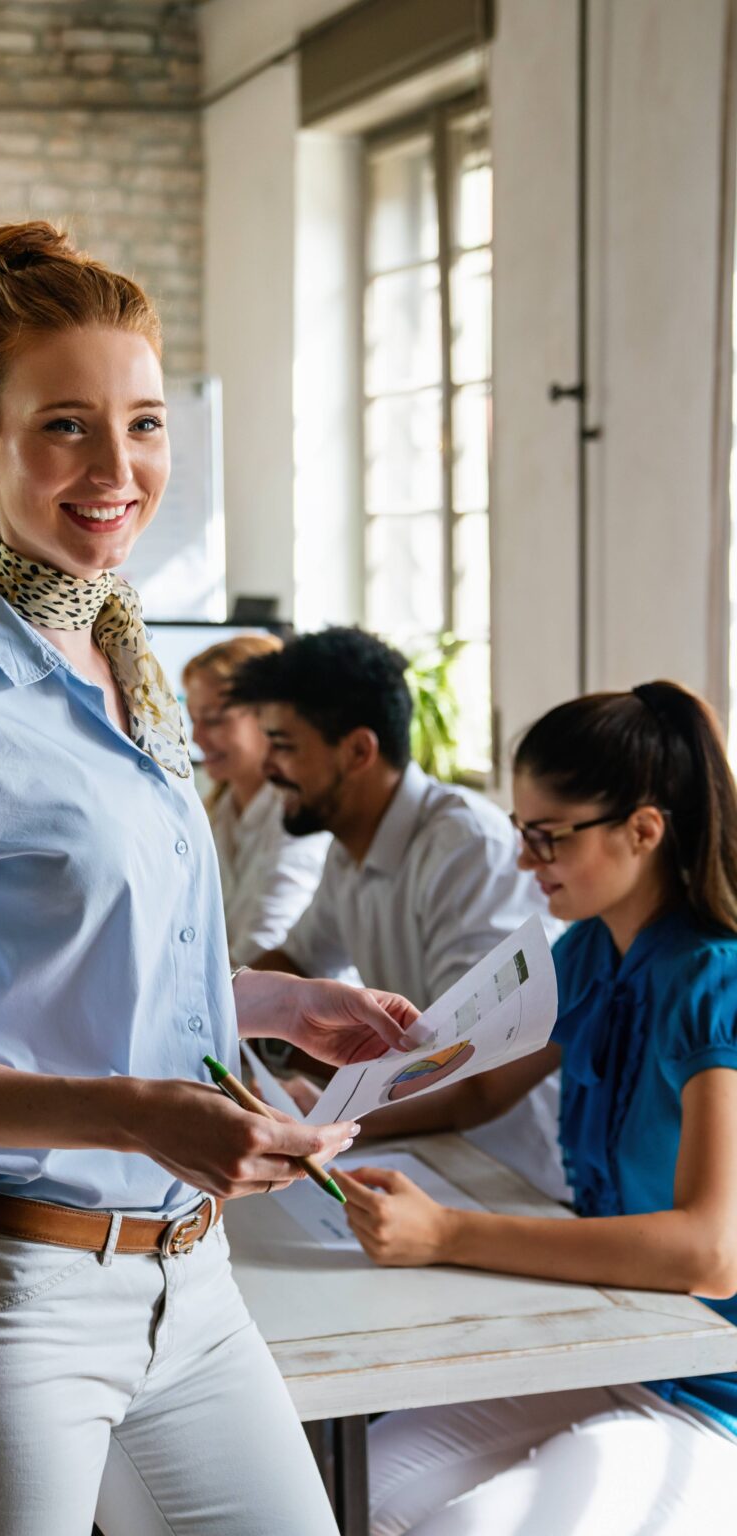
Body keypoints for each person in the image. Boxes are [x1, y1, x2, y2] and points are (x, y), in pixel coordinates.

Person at [0, 221, 417, 1536]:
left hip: (191, 1290)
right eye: (66, 427)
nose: (117, 470)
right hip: (10, 1304)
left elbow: (92, 956)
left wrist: (267, 1004)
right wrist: (142, 1114)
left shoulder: (130, 666)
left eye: (143, 425)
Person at [336, 681, 737, 1535]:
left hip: (711, 1384)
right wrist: (325, 1122)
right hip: (613, 1341)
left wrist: (445, 1235)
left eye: (548, 837)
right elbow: (480, 1087)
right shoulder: (590, 950)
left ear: (644, 830)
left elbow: (711, 1251)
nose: (525, 861)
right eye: (523, 832)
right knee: (355, 1499)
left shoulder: (717, 983)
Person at [229, 627, 565, 1196]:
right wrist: (238, 1017)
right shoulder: (351, 842)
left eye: (285, 746)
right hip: (427, 1149)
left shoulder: (467, 850)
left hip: (509, 1174)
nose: (269, 768)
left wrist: (322, 1115)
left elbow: (471, 1066)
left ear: (359, 751)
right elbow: (296, 956)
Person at [183, 634, 330, 965]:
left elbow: (265, 948)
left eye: (214, 719)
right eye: (193, 719)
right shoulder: (217, 811)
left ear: (269, 717)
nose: (196, 737)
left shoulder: (298, 818)